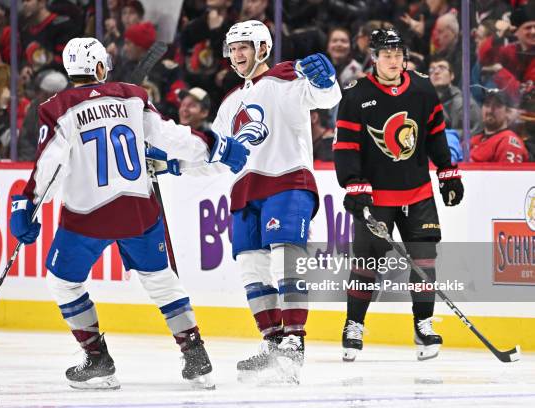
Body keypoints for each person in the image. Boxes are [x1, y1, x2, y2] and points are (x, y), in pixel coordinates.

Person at [8, 37, 249, 390]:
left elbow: (49, 164)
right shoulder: (132, 96)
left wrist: (26, 203)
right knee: (161, 281)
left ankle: (98, 360)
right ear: (101, 67)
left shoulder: (56, 107)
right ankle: (196, 356)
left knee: (63, 281)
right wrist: (213, 146)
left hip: (88, 214)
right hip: (139, 209)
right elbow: (170, 135)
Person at [190, 20, 341, 382]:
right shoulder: (228, 103)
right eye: (233, 48)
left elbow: (328, 97)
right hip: (245, 191)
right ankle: (273, 343)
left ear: (262, 48)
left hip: (287, 180)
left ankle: (294, 341)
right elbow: (217, 157)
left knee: (286, 259)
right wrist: (173, 165)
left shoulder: (288, 78)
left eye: (244, 46)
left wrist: (325, 80)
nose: (237, 54)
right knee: (252, 269)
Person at [333, 28, 464, 362]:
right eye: (385, 55)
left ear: (404, 57)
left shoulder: (421, 87)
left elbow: (435, 134)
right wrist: (353, 184)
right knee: (366, 265)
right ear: (374, 58)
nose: (393, 61)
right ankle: (354, 325)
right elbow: (346, 146)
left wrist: (447, 172)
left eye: (397, 54)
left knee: (425, 261)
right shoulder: (356, 95)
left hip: (418, 193)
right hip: (377, 198)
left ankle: (423, 323)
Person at [470, 89, 529, 163]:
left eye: (497, 106)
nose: (490, 110)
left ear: (508, 112)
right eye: (487, 105)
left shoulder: (508, 142)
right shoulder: (475, 139)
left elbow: (508, 174)